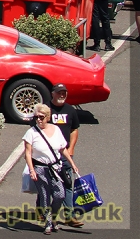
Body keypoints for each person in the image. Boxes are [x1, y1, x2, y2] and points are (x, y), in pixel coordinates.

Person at [25, 103, 79, 234]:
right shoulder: (31, 133)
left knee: (60, 194)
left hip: (55, 168)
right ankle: (48, 223)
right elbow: (27, 153)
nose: (39, 119)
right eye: (36, 117)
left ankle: (53, 217)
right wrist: (32, 170)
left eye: (41, 117)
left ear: (48, 117)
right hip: (40, 169)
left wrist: (72, 164)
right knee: (44, 196)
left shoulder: (56, 129)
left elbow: (63, 149)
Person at [47, 83, 84, 228]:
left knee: (68, 184)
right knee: (51, 187)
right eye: (59, 92)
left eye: (64, 93)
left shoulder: (70, 110)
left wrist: (71, 148)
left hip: (65, 154)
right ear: (52, 94)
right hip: (49, 156)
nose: (62, 95)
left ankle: (70, 216)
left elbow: (74, 129)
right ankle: (47, 214)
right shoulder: (46, 109)